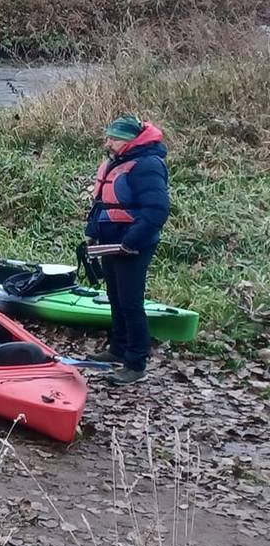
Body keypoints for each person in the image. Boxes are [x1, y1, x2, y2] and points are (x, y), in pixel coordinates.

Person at [85, 115, 170, 386]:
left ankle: (136, 364)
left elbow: (156, 210)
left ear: (131, 140)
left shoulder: (147, 165)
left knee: (131, 303)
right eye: (108, 137)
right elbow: (102, 203)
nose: (108, 143)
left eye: (114, 139)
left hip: (132, 245)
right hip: (111, 241)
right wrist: (93, 233)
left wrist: (131, 242)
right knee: (115, 297)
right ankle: (118, 348)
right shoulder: (119, 160)